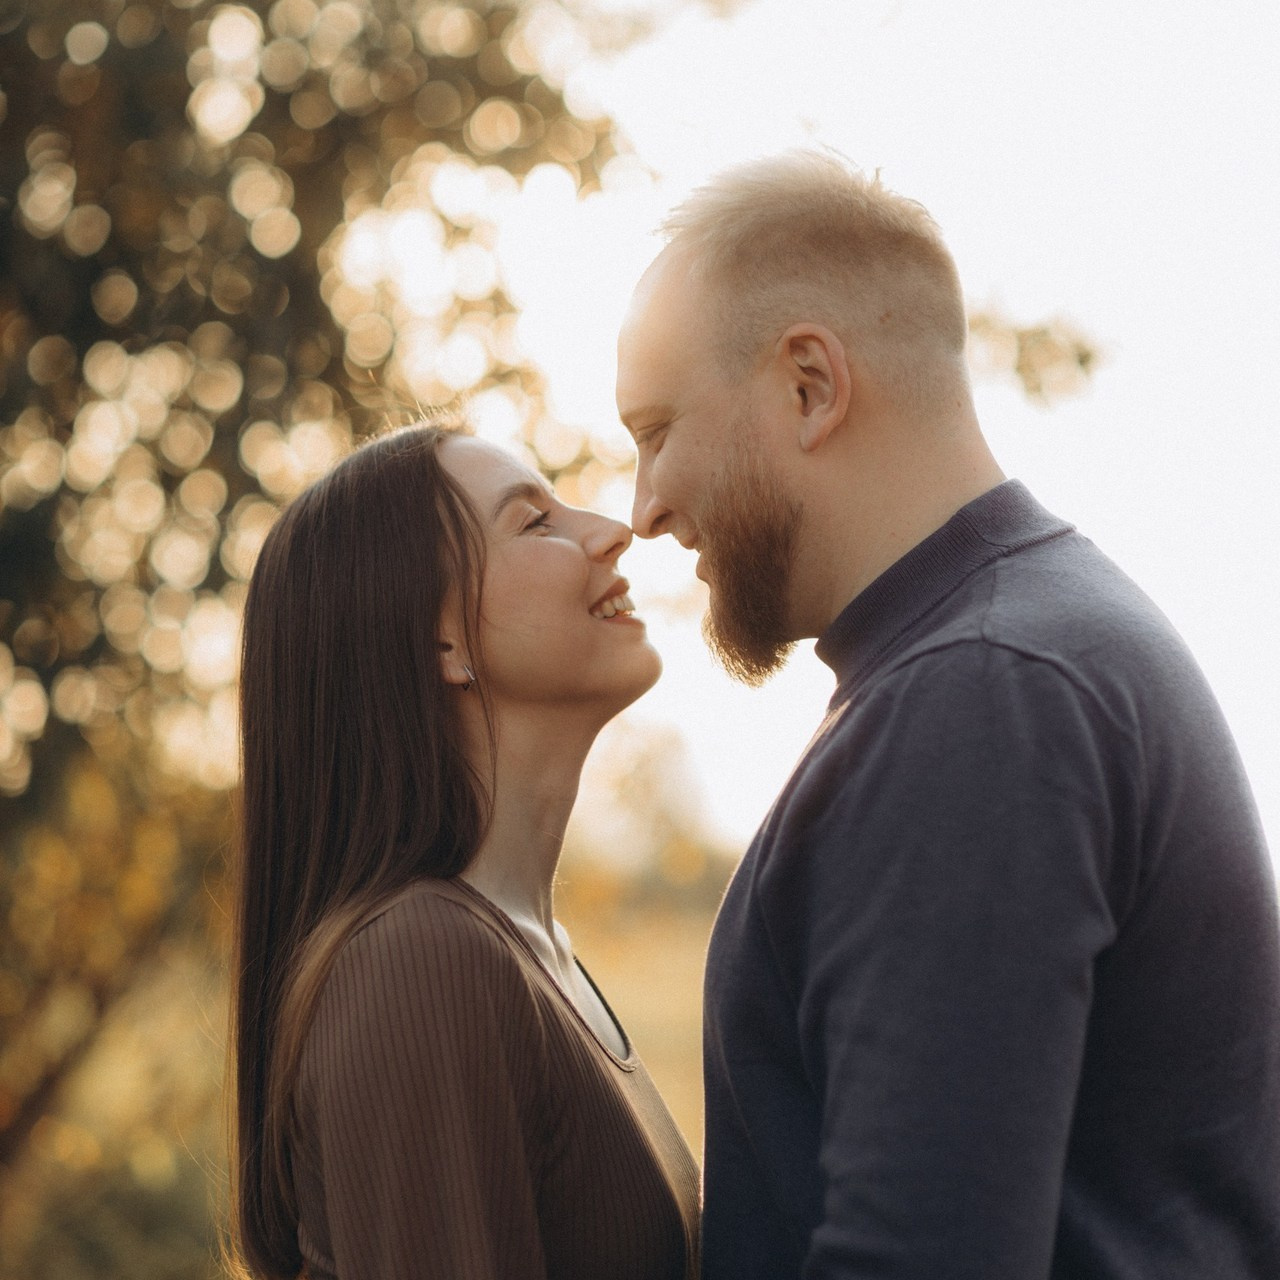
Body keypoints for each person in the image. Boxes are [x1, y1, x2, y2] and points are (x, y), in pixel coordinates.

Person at [615, 150, 1280, 1279]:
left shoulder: (981, 697)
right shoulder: (1013, 655)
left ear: (807, 386)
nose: (643, 508)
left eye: (655, 428)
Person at [228, 423, 699, 1280]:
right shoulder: (419, 960)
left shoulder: (525, 955)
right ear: (437, 641)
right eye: (534, 521)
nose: (610, 529)